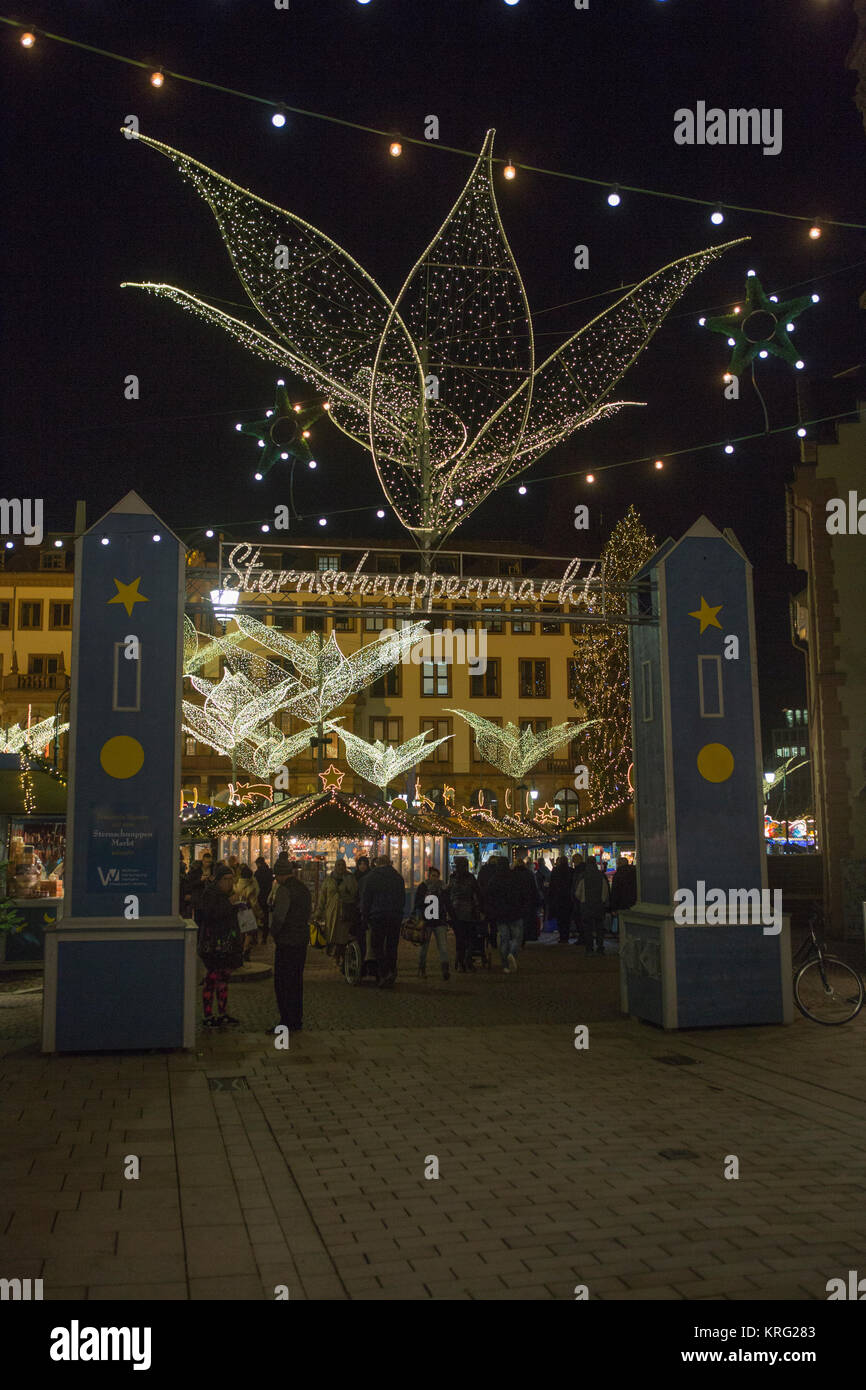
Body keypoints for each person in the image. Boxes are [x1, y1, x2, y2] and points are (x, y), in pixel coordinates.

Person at [268, 853, 313, 1034]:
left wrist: (273, 933)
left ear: (280, 874)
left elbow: (280, 917)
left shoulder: (284, 890)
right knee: (296, 981)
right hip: (301, 939)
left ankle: (286, 1020)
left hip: (287, 941)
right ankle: (296, 1019)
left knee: (283, 982)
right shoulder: (303, 889)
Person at [195, 863, 244, 1027]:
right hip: (212, 946)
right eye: (226, 879)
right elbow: (209, 915)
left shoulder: (229, 895)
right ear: (218, 880)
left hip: (226, 945)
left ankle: (223, 1013)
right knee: (211, 979)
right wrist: (229, 904)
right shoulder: (210, 894)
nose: (229, 883)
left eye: (231, 879)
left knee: (223, 979)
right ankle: (208, 1015)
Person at [359, 853, 406, 988]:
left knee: (377, 944)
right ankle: (392, 969)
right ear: (390, 863)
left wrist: (365, 917)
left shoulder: (372, 878)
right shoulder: (398, 877)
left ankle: (384, 971)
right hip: (395, 916)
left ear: (377, 863)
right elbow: (402, 898)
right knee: (392, 944)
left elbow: (366, 899)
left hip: (378, 915)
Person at [315, 858, 358, 969]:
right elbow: (323, 897)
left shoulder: (349, 878)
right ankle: (335, 954)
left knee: (343, 936)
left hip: (345, 912)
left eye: (342, 865)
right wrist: (319, 912)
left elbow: (354, 893)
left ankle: (341, 956)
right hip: (331, 913)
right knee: (332, 935)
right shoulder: (329, 880)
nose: (340, 867)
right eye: (338, 865)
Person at [413, 866, 453, 980]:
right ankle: (421, 968)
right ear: (428, 876)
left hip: (440, 921)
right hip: (426, 922)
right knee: (423, 947)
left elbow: (447, 903)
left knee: (443, 947)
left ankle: (445, 969)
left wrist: (451, 918)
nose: (434, 878)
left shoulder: (442, 888)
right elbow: (417, 903)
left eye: (436, 876)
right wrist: (424, 900)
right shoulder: (423, 887)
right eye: (432, 876)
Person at [486, 856, 523, 973]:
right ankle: (512, 953)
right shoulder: (515, 877)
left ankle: (505, 965)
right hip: (514, 912)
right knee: (517, 937)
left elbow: (489, 896)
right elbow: (521, 894)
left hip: (500, 913)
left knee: (504, 938)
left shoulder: (494, 879)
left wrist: (492, 911)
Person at [448, 856, 482, 971]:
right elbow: (477, 893)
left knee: (460, 938)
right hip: (468, 912)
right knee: (471, 937)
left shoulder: (452, 878)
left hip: (455, 912)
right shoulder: (470, 878)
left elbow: (448, 894)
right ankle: (467, 960)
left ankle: (460, 961)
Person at [576, 856, 610, 955]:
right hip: (599, 905)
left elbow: (578, 892)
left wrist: (582, 900)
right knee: (599, 927)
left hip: (586, 906)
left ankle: (589, 948)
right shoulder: (601, 876)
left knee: (587, 928)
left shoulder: (583, 876)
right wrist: (602, 902)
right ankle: (600, 947)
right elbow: (605, 892)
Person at [235, 863, 261, 961]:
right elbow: (254, 902)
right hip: (247, 910)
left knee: (241, 932)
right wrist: (258, 912)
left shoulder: (236, 884)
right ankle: (245, 950)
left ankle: (240, 949)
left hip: (238, 909)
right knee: (249, 932)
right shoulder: (251, 887)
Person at [512, 856, 541, 943]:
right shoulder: (529, 874)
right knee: (526, 920)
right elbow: (534, 888)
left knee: (516, 920)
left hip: (516, 901)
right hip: (528, 900)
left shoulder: (512, 874)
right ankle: (525, 936)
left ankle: (517, 937)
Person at [548, 855, 574, 944]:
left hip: (558, 897)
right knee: (567, 918)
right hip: (568, 898)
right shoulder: (571, 871)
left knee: (560, 918)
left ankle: (562, 936)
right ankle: (565, 936)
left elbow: (552, 885)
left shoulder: (555, 871)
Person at [609, 856, 637, 934]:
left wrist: (613, 908)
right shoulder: (635, 873)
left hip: (622, 904)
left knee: (622, 924)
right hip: (634, 903)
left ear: (619, 864)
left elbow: (615, 892)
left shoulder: (618, 875)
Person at [477, 855, 499, 949]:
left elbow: (478, 883)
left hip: (484, 899)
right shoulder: (498, 871)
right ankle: (493, 941)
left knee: (484, 922)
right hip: (495, 901)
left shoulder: (483, 870)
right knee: (494, 923)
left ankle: (484, 939)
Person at [254, 856, 274, 944]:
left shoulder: (257, 873)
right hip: (267, 896)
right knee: (266, 916)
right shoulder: (270, 871)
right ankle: (264, 937)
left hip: (259, 896)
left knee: (257, 915)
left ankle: (255, 938)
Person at [570, 855, 586, 944]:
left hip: (579, 898)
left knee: (579, 919)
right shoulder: (582, 869)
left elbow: (576, 885)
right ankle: (583, 937)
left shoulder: (578, 871)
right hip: (581, 898)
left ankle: (582, 938)